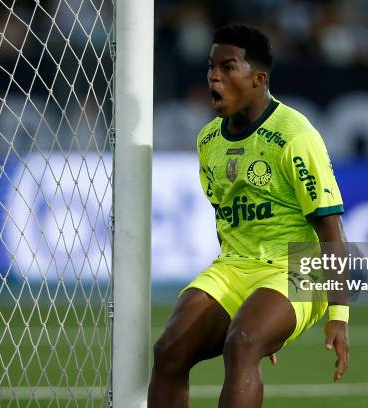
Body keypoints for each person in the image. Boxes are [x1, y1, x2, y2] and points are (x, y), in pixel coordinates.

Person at [148, 24, 350, 408]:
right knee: (169, 353)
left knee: (242, 343)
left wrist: (338, 315)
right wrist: (259, 313)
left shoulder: (295, 135)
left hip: (299, 265)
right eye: (211, 67)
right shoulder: (208, 141)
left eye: (227, 67)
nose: (214, 76)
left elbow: (330, 228)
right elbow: (226, 218)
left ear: (258, 79)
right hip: (236, 266)